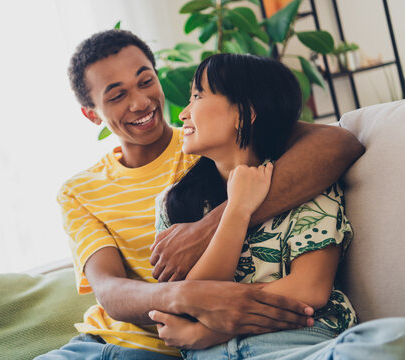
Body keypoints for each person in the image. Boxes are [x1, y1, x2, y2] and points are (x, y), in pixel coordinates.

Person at [34, 29, 365, 359]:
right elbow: (109, 290)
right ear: (92, 114)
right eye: (117, 96)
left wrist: (206, 228)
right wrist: (189, 301)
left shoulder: (210, 146)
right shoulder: (83, 191)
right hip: (107, 342)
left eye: (145, 81)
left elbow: (336, 143)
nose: (140, 102)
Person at [148, 53, 405, 359]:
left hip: (297, 347)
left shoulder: (307, 181)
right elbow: (186, 303)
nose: (183, 114)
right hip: (212, 355)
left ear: (244, 113)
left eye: (197, 96)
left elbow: (310, 288)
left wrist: (212, 327)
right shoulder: (172, 204)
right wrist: (236, 210)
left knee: (389, 336)